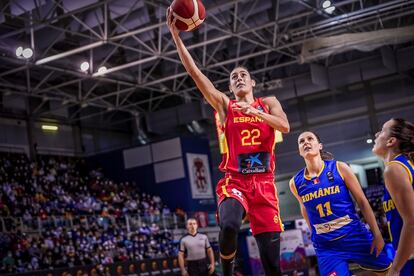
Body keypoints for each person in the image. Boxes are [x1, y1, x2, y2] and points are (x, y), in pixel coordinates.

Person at [166, 9, 290, 276]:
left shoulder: (268, 103)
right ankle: (226, 272)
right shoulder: (226, 105)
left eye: (243, 75)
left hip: (265, 185)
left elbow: (285, 127)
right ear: (231, 88)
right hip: (235, 182)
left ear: (253, 82)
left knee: (272, 266)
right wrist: (177, 37)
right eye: (234, 77)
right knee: (231, 225)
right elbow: (196, 75)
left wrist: (259, 113)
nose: (239, 78)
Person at [289, 131, 392, 276]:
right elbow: (305, 210)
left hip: (354, 235)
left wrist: (377, 234)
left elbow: (362, 201)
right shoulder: (295, 182)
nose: (306, 142)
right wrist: (314, 234)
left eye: (310, 139)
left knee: (388, 271)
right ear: (299, 151)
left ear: (319, 146)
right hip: (327, 246)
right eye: (301, 141)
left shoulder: (340, 168)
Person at [372, 118, 414, 276]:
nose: (376, 134)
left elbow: (411, 222)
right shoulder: (406, 165)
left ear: (391, 141)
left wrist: (395, 269)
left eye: (382, 130)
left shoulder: (395, 169)